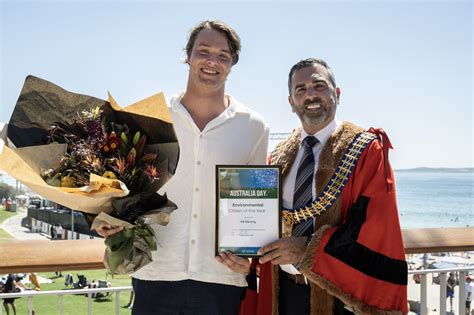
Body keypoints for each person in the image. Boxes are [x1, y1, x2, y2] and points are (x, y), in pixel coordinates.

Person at [96, 20, 269, 315]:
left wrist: (248, 257)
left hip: (221, 277)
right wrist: (105, 218)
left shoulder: (254, 127)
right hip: (155, 270)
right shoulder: (152, 116)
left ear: (232, 64)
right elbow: (120, 185)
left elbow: (253, 204)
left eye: (223, 55)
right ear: (188, 56)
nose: (212, 61)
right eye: (203, 51)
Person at [245, 58, 407, 314]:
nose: (310, 95)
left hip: (341, 298)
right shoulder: (276, 157)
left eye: (319, 86)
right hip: (284, 293)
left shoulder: (366, 150)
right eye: (300, 89)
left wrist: (308, 250)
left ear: (337, 93)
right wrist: (241, 251)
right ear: (291, 102)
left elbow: (374, 227)